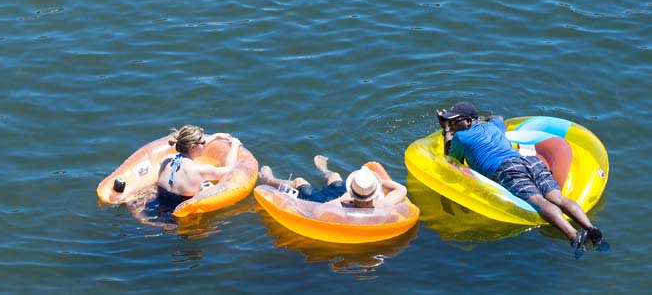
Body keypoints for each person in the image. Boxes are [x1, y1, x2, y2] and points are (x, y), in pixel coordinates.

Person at [438, 101, 605, 257]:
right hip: (530, 161)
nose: (451, 125)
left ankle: (573, 236)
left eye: (454, 121)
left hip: (507, 170)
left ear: (467, 121)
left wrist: (445, 131)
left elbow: (450, 159)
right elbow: (498, 118)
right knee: (558, 198)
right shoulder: (494, 126)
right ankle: (591, 229)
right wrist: (484, 118)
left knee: (539, 202)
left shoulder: (461, 138)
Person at [258, 156, 407, 209]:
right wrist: (378, 181)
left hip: (320, 202)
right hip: (345, 195)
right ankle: (324, 169)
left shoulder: (342, 205)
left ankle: (269, 179)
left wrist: (342, 199)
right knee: (335, 177)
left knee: (299, 181)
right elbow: (401, 189)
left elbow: (317, 210)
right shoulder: (381, 205)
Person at [157, 125, 240, 210]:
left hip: (155, 206)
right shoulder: (200, 170)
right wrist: (235, 145)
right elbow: (229, 170)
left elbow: (195, 146)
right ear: (192, 147)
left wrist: (215, 136)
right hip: (177, 216)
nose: (205, 145)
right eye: (203, 143)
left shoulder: (165, 160)